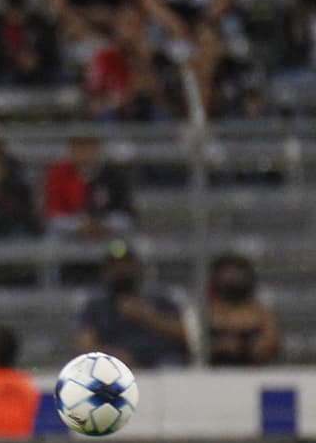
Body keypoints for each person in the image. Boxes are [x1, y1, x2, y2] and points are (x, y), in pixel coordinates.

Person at [76, 240, 189, 368]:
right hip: (117, 371)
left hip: (163, 364)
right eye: (115, 266)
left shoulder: (160, 299)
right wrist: (113, 358)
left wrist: (145, 316)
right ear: (106, 271)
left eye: (126, 264)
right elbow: (86, 347)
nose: (121, 271)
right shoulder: (96, 306)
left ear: (137, 267)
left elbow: (187, 335)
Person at [42, 133, 136, 237]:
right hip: (68, 233)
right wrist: (78, 225)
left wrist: (102, 225)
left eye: (90, 146)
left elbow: (125, 214)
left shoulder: (113, 174)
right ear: (71, 149)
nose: (85, 152)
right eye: (80, 147)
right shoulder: (58, 173)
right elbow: (54, 215)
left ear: (98, 148)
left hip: (107, 233)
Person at [206, 253, 281, 366]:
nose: (233, 278)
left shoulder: (262, 313)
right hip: (211, 373)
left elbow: (272, 344)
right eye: (228, 274)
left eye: (238, 273)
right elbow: (194, 345)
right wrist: (219, 346)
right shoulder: (206, 311)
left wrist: (242, 347)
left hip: (250, 373)